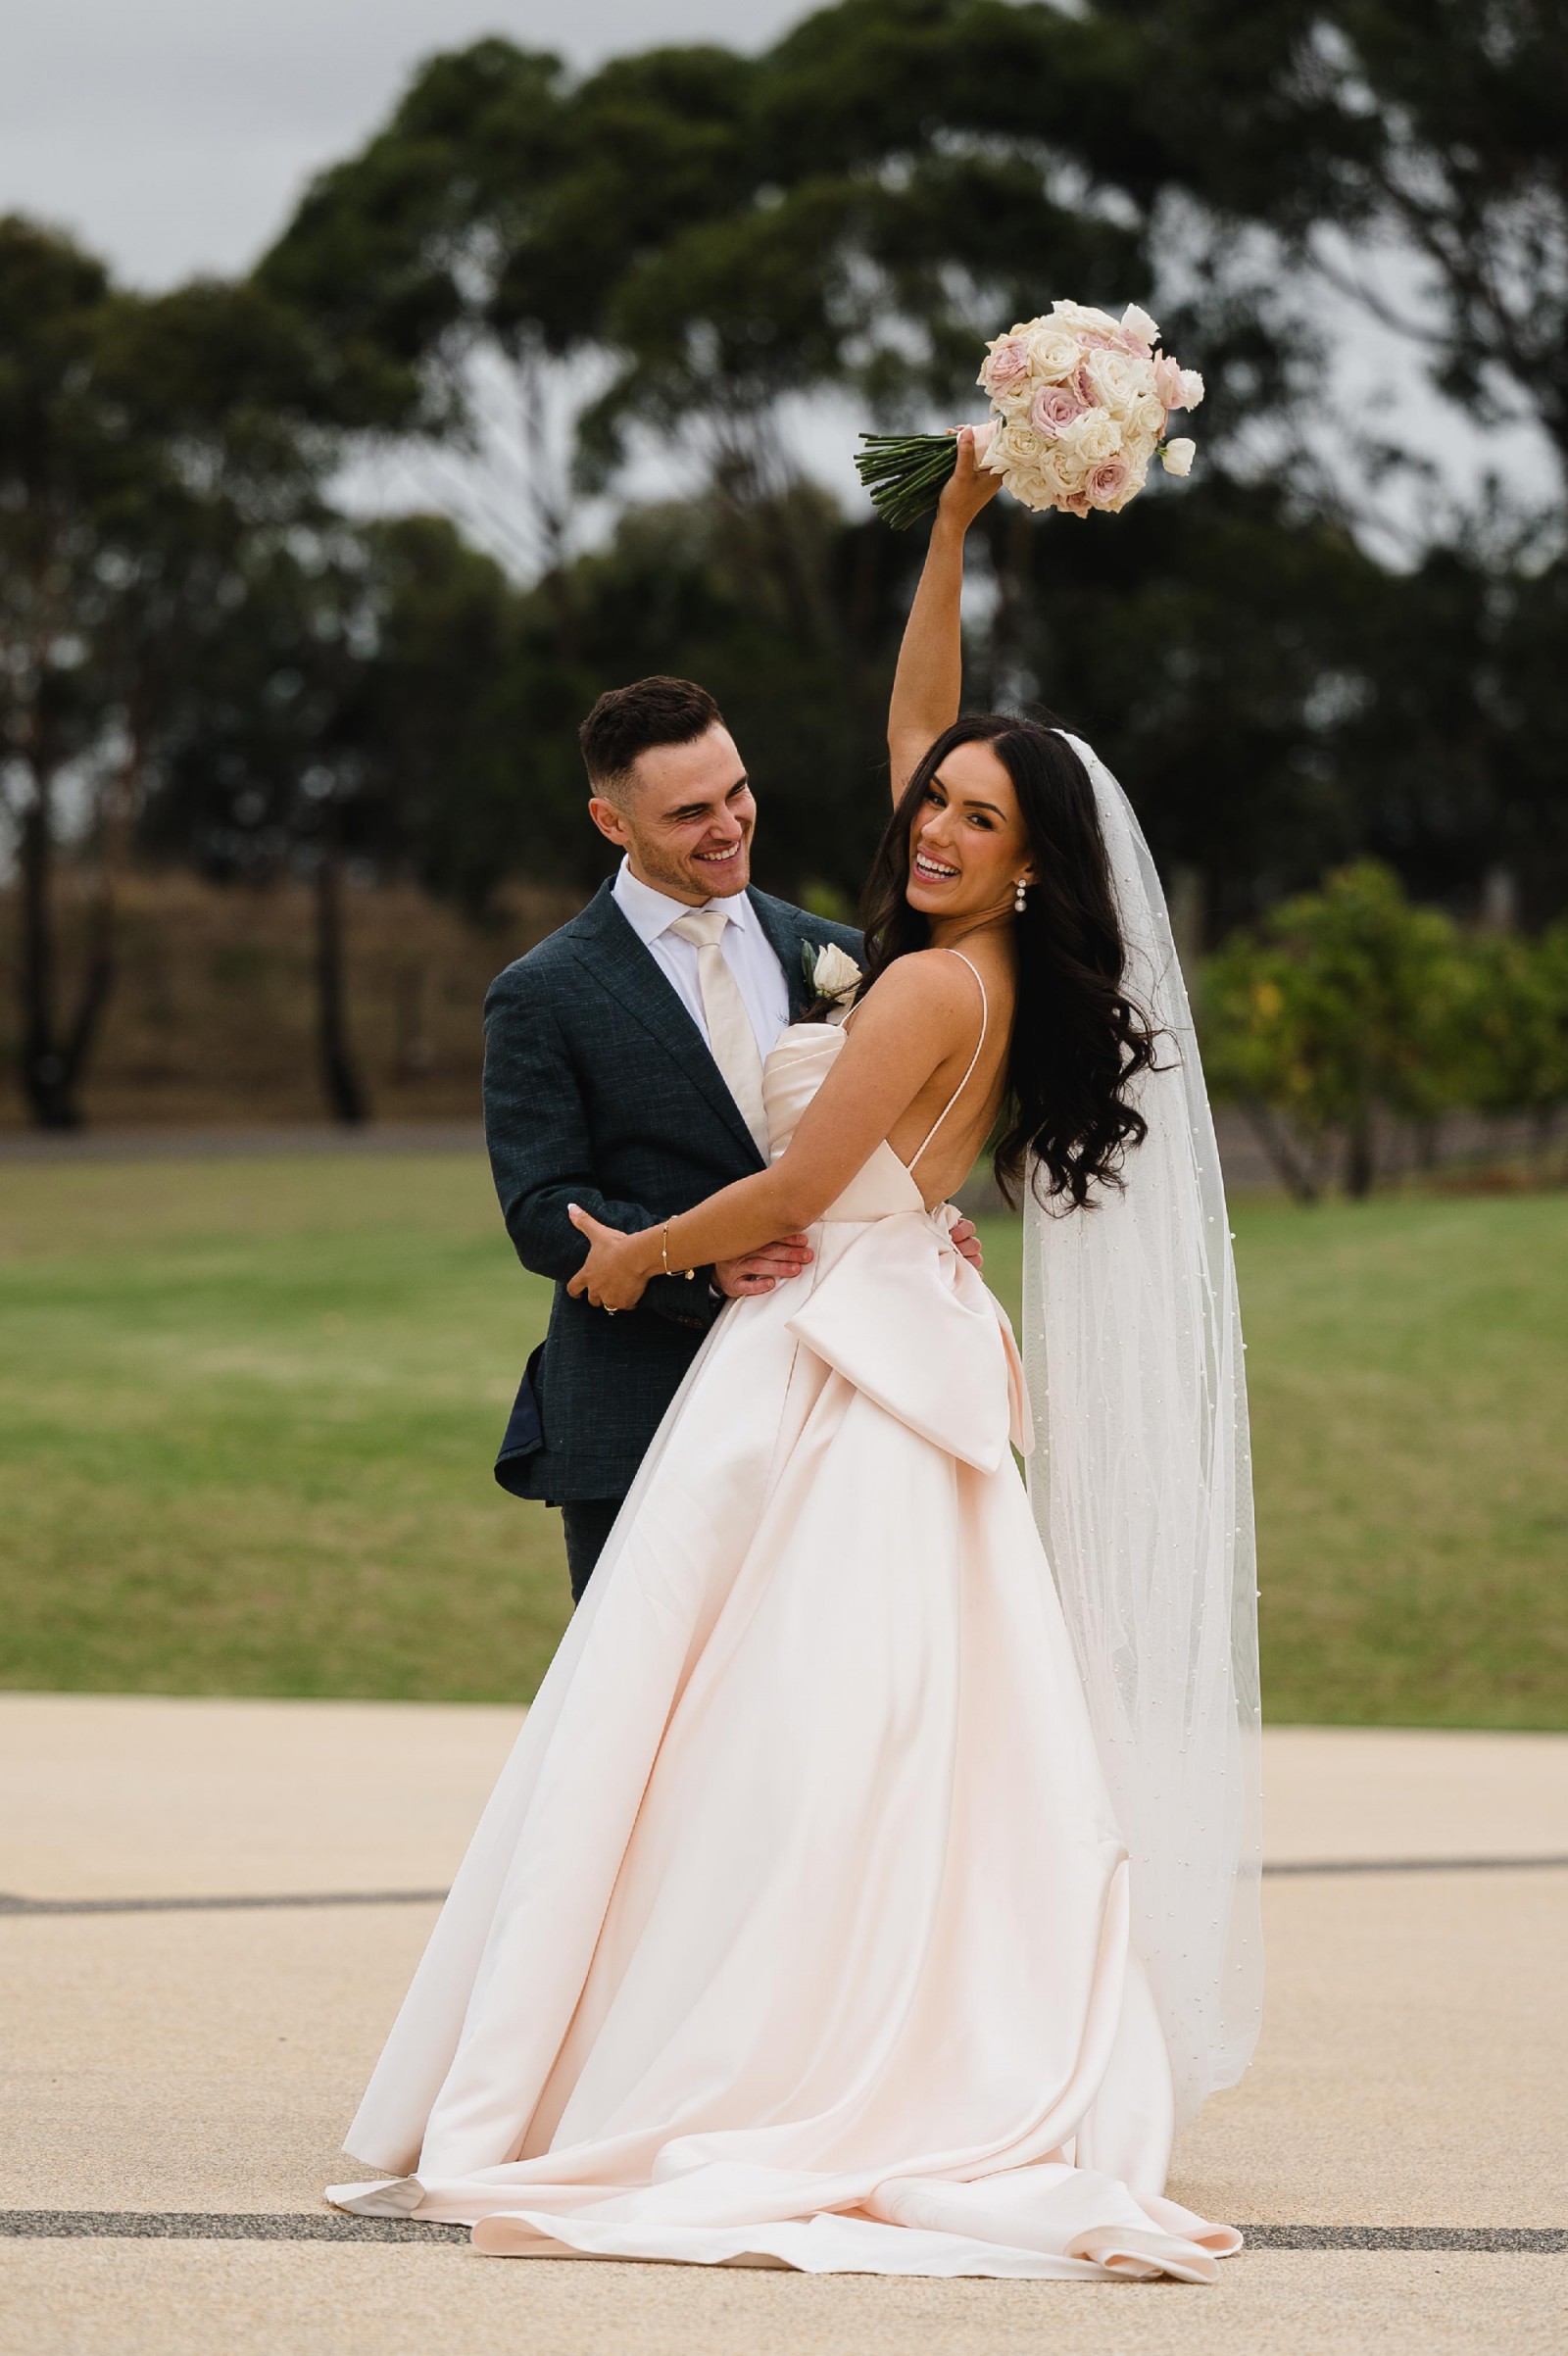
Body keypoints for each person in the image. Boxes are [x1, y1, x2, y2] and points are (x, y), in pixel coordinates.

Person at [329, 430, 1261, 2280]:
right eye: (934, 807)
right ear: (613, 818)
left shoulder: (914, 977)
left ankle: (740, 2044)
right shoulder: (940, 946)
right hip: (876, 1325)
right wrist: (954, 525)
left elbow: (797, 1185)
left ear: (1029, 860)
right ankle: (766, 2017)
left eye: (973, 819)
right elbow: (927, 726)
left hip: (824, 1353)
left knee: (761, 1729)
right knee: (828, 1721)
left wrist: (632, 1257)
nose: (929, 826)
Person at [481, 671, 982, 1600]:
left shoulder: (844, 955)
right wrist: (698, 1263)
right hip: (642, 1404)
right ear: (610, 822)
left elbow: (879, 1144)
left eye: (737, 793)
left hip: (836, 1392)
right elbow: (543, 1212)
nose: (728, 826)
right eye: (688, 814)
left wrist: (921, 1222)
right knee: (643, 1688)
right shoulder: (542, 992)